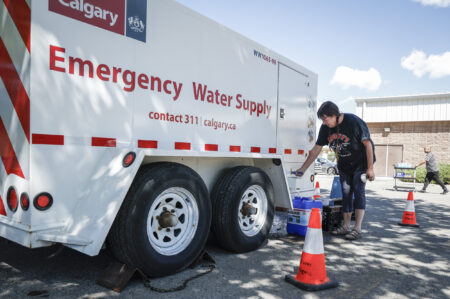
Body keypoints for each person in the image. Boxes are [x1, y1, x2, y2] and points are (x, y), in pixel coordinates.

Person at [295, 101, 375, 240]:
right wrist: (303, 168)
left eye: (325, 119)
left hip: (361, 164)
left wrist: (370, 168)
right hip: (344, 165)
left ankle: (357, 228)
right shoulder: (326, 129)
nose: (324, 123)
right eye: (322, 120)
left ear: (334, 115)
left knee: (358, 190)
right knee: (345, 193)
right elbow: (316, 149)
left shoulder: (354, 122)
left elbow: (368, 145)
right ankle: (345, 227)